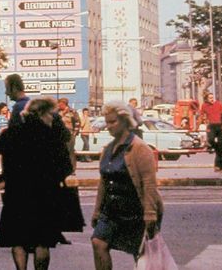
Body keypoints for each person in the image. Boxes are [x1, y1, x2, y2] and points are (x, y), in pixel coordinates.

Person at [0, 97, 73, 270]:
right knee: (42, 241)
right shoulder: (51, 136)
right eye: (51, 114)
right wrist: (55, 178)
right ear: (43, 113)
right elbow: (66, 166)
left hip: (15, 191)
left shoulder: (12, 132)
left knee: (18, 239)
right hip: (45, 193)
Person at [91, 101, 163, 269]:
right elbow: (103, 182)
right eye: (106, 122)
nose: (108, 126)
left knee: (141, 256)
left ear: (124, 121)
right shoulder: (108, 148)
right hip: (111, 210)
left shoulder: (139, 148)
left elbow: (149, 184)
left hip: (135, 210)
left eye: (112, 122)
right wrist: (97, 210)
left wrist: (150, 214)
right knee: (98, 242)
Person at [199, 91, 222, 172]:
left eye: (212, 98)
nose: (212, 99)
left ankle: (219, 166)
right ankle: (219, 164)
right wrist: (197, 126)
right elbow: (201, 116)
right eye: (210, 98)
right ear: (207, 99)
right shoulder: (204, 105)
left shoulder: (218, 104)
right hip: (211, 125)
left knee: (220, 145)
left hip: (219, 125)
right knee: (211, 140)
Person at [58, 98, 80, 171]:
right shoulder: (58, 112)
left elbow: (77, 122)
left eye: (60, 104)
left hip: (70, 134)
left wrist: (75, 133)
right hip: (60, 135)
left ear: (64, 104)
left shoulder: (72, 112)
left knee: (70, 152)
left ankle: (72, 169)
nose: (58, 105)